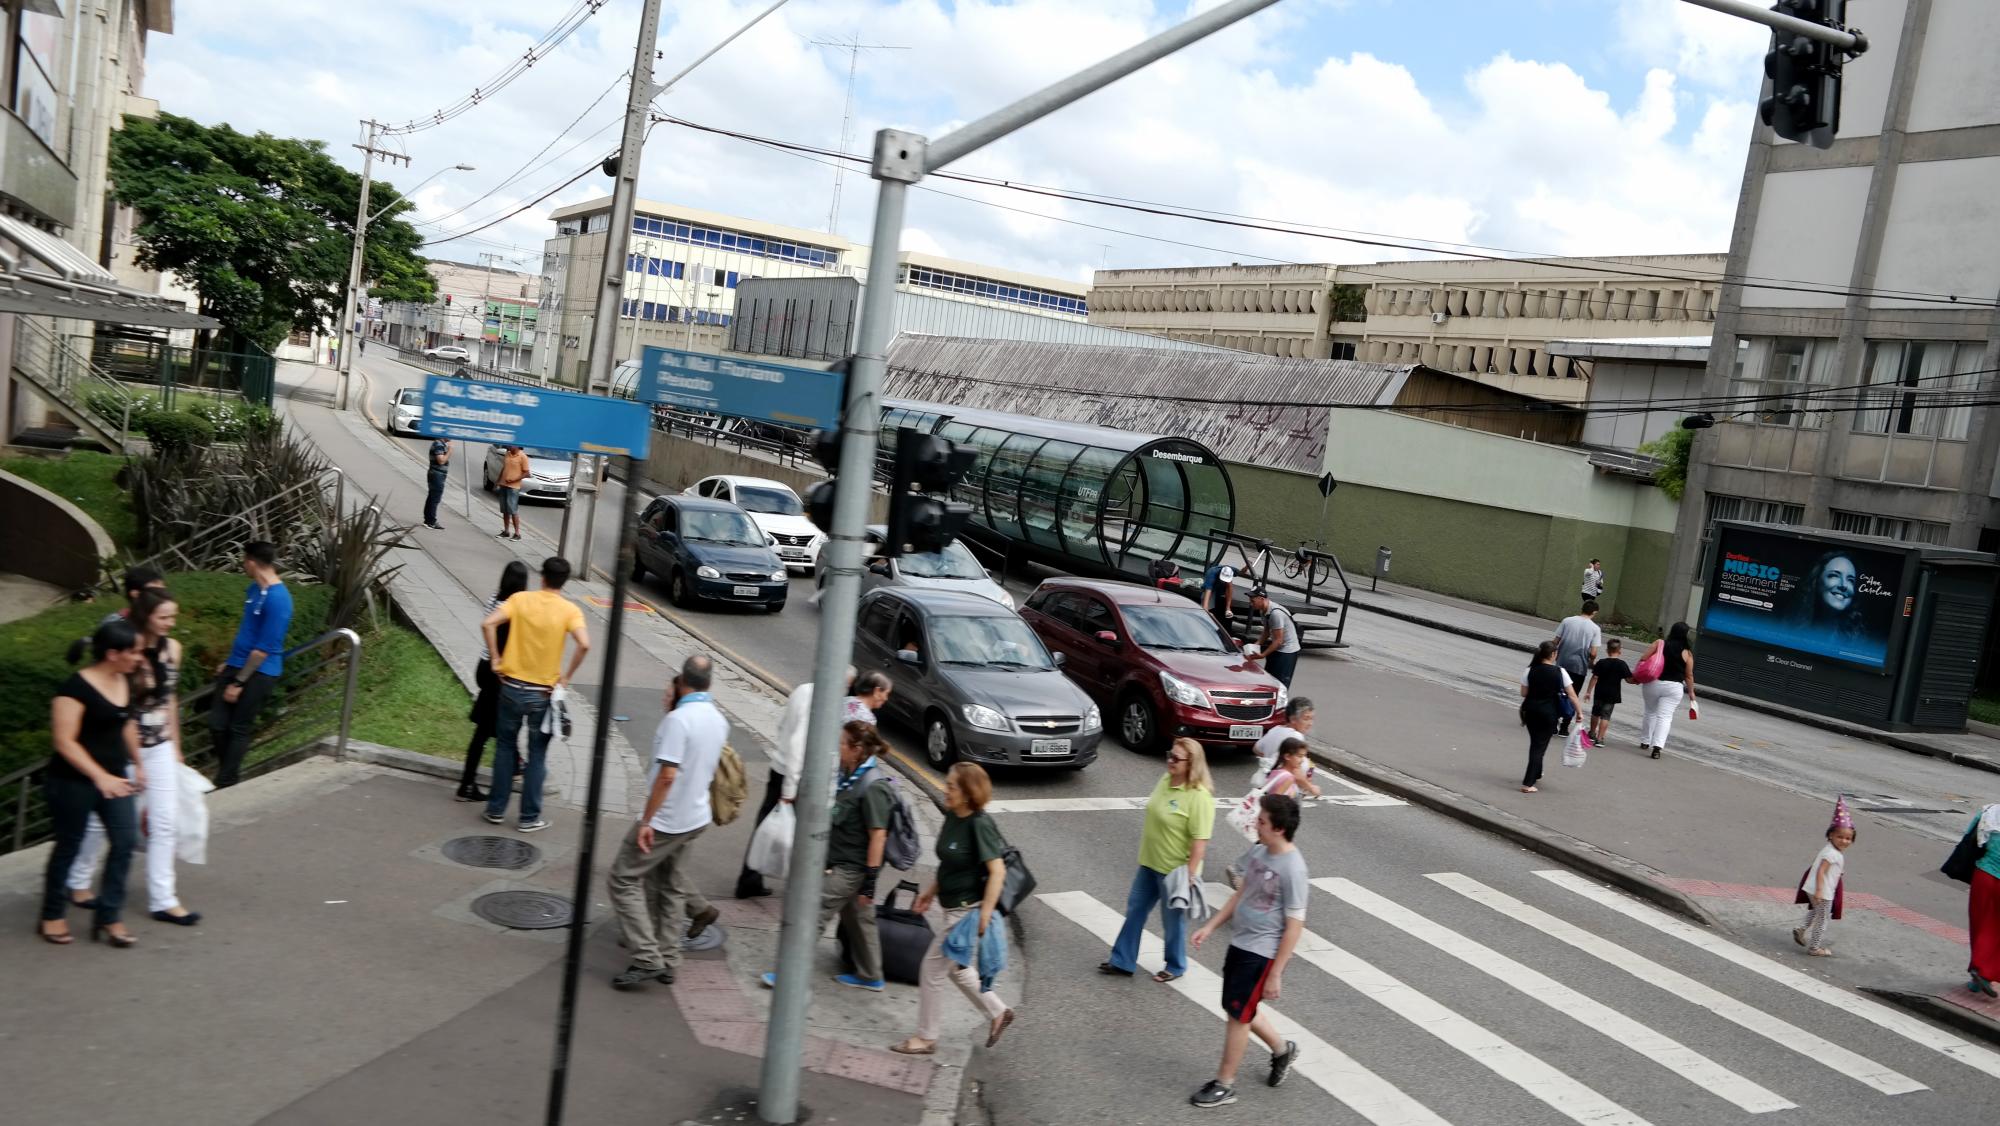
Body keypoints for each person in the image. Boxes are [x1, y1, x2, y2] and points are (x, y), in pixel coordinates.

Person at [67, 589, 200, 925]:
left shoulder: (174, 650)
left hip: (160, 747)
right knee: (101, 820)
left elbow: (169, 699)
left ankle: (164, 899)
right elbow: (110, 696)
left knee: (164, 822)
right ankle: (78, 880)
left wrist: (177, 747)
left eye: (173, 616)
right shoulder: (130, 650)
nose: (171, 623)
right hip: (122, 747)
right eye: (164, 617)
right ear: (146, 617)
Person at [608, 656, 726, 989]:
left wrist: (647, 820)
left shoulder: (678, 720)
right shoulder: (718, 719)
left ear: (681, 683)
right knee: (671, 885)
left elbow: (667, 776)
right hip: (695, 815)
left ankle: (647, 956)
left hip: (667, 817)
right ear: (709, 682)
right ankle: (669, 957)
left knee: (622, 878)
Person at [1188, 792, 1307, 1109]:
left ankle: (1225, 1084)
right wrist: (1211, 926)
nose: (1256, 823)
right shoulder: (1260, 851)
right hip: (1240, 942)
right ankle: (1283, 1050)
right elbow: (1242, 893)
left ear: (1279, 828)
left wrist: (1276, 974)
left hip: (1261, 952)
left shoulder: (1293, 868)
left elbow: (1295, 925)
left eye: (1262, 820)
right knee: (1236, 1007)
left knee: (1238, 1015)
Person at [758, 721, 895, 993]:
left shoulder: (873, 786)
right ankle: (871, 975)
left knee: (811, 910)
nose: (837, 747)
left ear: (857, 749)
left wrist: (869, 881)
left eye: (842, 743)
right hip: (845, 863)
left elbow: (878, 835)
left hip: (852, 869)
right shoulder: (850, 774)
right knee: (859, 918)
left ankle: (789, 974)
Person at [891, 762, 1014, 1056]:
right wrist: (930, 892)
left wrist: (984, 914)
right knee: (958, 969)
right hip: (950, 904)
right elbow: (948, 861)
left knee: (931, 969)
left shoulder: (979, 824)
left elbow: (997, 872)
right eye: (947, 784)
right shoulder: (953, 816)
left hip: (966, 911)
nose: (946, 789)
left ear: (969, 792)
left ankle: (926, 1037)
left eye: (952, 786)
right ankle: (999, 1012)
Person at [38, 620, 146, 947]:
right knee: (68, 846)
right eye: (135, 652)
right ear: (113, 654)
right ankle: (52, 914)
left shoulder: (123, 678)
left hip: (116, 778)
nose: (140, 657)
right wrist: (100, 777)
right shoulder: (74, 689)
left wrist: (138, 763)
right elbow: (65, 742)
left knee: (125, 842)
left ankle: (109, 916)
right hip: (72, 782)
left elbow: (124, 722)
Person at [482, 557, 591, 832]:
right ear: (564, 582)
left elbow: (488, 623)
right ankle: (529, 818)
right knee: (537, 754)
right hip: (542, 693)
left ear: (542, 577)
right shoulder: (570, 611)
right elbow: (584, 645)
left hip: (510, 686)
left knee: (505, 747)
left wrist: (496, 658)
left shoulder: (520, 600)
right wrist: (565, 678)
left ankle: (496, 809)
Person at [1100, 737, 1214, 983]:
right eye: (1169, 755)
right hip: (1149, 862)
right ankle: (1122, 961)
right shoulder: (1165, 780)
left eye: (1176, 758)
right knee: (1135, 909)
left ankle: (1175, 965)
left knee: (1172, 922)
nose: (1170, 761)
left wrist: (1190, 876)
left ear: (1191, 764)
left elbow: (1199, 842)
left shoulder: (1199, 797)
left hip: (1174, 871)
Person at [736, 666, 856, 899]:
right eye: (846, 686)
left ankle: (750, 878)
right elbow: (798, 746)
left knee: (766, 824)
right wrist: (790, 790)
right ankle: (797, 886)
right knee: (804, 832)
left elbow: (783, 727)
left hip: (779, 766)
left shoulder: (802, 690)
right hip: (796, 776)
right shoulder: (819, 702)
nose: (846, 691)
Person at [210, 541, 293, 788]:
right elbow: (248, 631)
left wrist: (238, 682)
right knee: (216, 724)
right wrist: (230, 663)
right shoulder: (254, 590)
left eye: (244, 561)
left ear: (251, 562)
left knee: (238, 727)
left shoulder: (280, 599)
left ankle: (226, 780)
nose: (243, 565)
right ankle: (228, 774)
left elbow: (263, 649)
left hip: (260, 671)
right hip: (237, 664)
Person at [458, 560, 530, 803]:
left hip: (484, 665)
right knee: (486, 729)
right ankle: (467, 785)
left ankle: (517, 764)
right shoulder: (513, 608)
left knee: (499, 723)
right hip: (498, 672)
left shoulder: (494, 599)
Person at [1517, 640, 1582, 794]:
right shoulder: (1560, 672)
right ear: (1553, 654)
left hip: (1530, 711)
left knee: (1537, 743)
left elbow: (1523, 693)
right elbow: (1572, 696)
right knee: (1538, 747)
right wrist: (1579, 713)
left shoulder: (1530, 670)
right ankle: (1528, 783)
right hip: (1549, 713)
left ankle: (1537, 772)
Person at [1793, 797, 1854, 958]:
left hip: (1813, 888)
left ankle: (1801, 929)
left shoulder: (1830, 849)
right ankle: (1815, 948)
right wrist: (1820, 891)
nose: (1844, 840)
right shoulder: (1832, 853)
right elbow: (1821, 870)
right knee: (1823, 919)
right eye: (1840, 837)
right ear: (1831, 836)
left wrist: (1838, 872)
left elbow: (1822, 867)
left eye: (1848, 838)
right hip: (1822, 891)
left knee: (1816, 912)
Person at [1640, 621, 1696, 761]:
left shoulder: (1660, 643)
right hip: (1674, 687)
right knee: (1665, 717)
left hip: (1653, 682)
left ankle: (1645, 741)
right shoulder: (1687, 653)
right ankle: (1657, 747)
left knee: (1650, 711)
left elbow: (1644, 658)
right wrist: (1691, 693)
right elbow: (1689, 675)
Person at [1786, 550, 1868, 644]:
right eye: (1834, 575)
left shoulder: (1858, 644)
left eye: (1850, 580)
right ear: (1816, 582)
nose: (1844, 585)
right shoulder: (1789, 631)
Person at [1964, 802, 2000, 998]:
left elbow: (1970, 838)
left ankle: (1976, 977)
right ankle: (1984, 973)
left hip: (1983, 875)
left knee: (1979, 924)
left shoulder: (1990, 811)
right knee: (1995, 929)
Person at [1551, 601, 1602, 736]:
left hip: (1561, 663)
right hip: (1579, 667)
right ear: (1594, 612)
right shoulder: (1595, 629)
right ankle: (1564, 726)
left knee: (1558, 691)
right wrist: (1591, 661)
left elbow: (1555, 641)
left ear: (1582, 609)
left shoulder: (1567, 621)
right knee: (1572, 695)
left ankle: (1553, 722)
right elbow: (1593, 652)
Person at [1246, 587, 1301, 690]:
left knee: (1280, 685)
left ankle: (1281, 705)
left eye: (1253, 601)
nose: (1251, 604)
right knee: (1269, 681)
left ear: (1262, 599)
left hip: (1287, 651)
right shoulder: (1263, 611)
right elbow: (1267, 631)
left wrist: (1262, 655)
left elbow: (1279, 641)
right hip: (1278, 648)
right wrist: (1255, 646)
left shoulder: (1276, 614)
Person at [1251, 698, 1314, 786]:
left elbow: (1256, 749)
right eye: (1306, 718)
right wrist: (1311, 787)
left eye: (1312, 719)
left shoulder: (1275, 729)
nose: (1310, 723)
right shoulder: (1296, 737)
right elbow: (1296, 771)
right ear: (1293, 719)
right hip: (1283, 786)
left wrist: (1270, 758)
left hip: (1267, 782)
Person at [1582, 638, 1632, 750]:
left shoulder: (1601, 662)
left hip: (1600, 692)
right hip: (1612, 694)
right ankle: (1600, 739)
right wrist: (1638, 680)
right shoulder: (1622, 664)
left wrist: (1588, 692)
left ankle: (1592, 733)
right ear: (1620, 650)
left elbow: (1594, 677)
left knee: (1596, 713)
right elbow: (1629, 679)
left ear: (1607, 650)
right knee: (1606, 716)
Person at [496, 444, 529, 541]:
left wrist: (514, 479)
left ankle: (517, 533)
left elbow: (526, 473)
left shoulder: (523, 456)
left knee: (513, 510)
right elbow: (504, 468)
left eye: (511, 445)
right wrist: (498, 481)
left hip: (513, 487)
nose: (509, 447)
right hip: (503, 485)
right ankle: (506, 531)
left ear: (518, 446)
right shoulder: (507, 454)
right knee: (505, 510)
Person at [423, 436, 451, 530]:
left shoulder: (440, 444)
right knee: (435, 498)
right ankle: (431, 521)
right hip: (436, 475)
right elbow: (441, 460)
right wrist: (450, 450)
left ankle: (428, 520)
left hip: (436, 474)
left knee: (432, 497)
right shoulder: (438, 444)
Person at [1201, 562, 1238, 629]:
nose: (1224, 581)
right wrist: (1206, 610)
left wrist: (1228, 608)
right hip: (1211, 588)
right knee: (1207, 608)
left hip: (1221, 589)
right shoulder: (1212, 573)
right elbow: (1208, 592)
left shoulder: (1232, 570)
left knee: (1229, 585)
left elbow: (1229, 587)